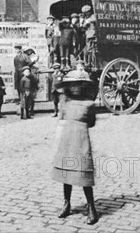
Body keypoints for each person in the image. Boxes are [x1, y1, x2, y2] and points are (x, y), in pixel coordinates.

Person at [51, 69, 99, 225]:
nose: (74, 88)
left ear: (84, 86)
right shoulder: (65, 102)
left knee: (84, 174)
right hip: (66, 139)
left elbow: (91, 123)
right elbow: (61, 119)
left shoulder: (89, 104)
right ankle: (67, 203)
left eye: (77, 85)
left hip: (81, 141)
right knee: (66, 174)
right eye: (71, 85)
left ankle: (91, 208)